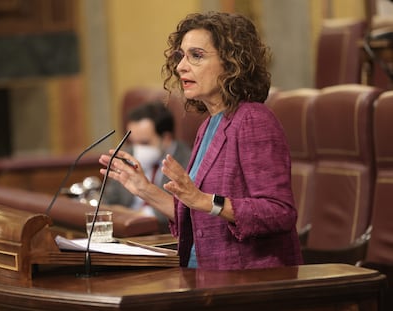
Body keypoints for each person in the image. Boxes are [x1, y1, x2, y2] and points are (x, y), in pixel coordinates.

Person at [99, 11, 303, 270]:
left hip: (249, 281)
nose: (181, 66)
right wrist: (144, 189)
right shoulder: (209, 124)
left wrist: (206, 200)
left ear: (231, 64)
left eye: (196, 56)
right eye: (180, 56)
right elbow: (195, 214)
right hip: (204, 275)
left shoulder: (253, 119)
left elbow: (279, 212)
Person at [103, 101, 191, 233]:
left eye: (144, 142)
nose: (137, 149)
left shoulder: (188, 160)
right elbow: (108, 202)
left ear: (166, 138)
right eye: (133, 142)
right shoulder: (127, 154)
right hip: (125, 232)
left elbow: (179, 211)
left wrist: (135, 215)